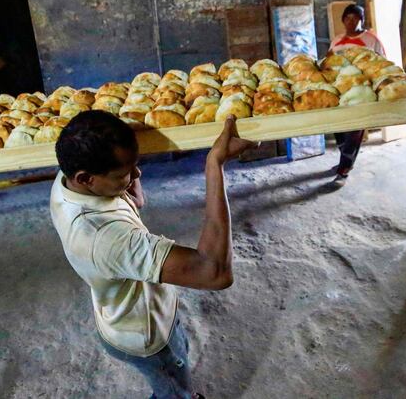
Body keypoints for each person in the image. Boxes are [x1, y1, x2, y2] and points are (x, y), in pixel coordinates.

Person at [50, 110, 253, 399]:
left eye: (136, 165)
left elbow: (136, 200)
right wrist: (214, 164)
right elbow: (215, 272)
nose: (137, 175)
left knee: (176, 361)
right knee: (173, 388)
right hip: (145, 335)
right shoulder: (103, 238)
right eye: (125, 174)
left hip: (128, 313)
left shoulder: (69, 175)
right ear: (85, 179)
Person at [323, 4, 386, 191]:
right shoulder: (337, 40)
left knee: (354, 133)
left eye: (355, 18)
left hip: (361, 93)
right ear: (343, 20)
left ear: (362, 20)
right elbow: (328, 61)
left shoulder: (371, 39)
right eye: (347, 18)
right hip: (340, 90)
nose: (351, 21)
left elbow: (381, 64)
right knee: (338, 128)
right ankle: (345, 159)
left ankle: (343, 171)